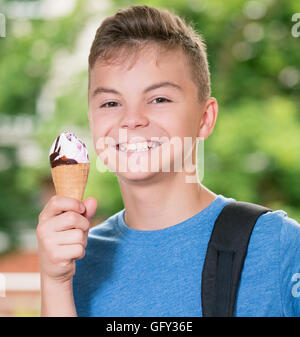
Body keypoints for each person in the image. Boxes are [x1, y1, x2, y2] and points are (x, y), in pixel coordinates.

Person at [36, 5, 300, 317]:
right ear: (91, 119)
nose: (132, 119)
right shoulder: (73, 261)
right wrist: (55, 283)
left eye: (159, 99)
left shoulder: (279, 246)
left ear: (205, 118)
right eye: (110, 102)